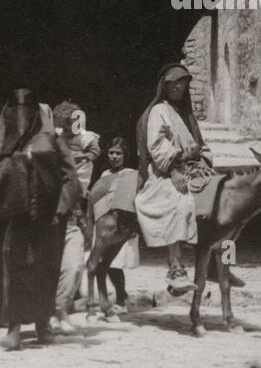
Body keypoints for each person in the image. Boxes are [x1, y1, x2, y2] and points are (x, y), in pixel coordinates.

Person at [0, 88, 82, 350]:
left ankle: (42, 325)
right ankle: (14, 329)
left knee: (44, 269)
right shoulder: (3, 144)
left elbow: (70, 177)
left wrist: (61, 207)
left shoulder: (51, 141)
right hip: (13, 220)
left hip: (47, 219)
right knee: (15, 270)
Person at [134, 63, 211, 294]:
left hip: (193, 166)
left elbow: (200, 143)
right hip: (165, 170)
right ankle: (175, 268)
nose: (179, 87)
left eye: (183, 83)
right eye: (174, 83)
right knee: (178, 201)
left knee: (221, 200)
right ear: (165, 86)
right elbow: (156, 145)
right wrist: (173, 171)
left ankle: (223, 263)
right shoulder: (159, 111)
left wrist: (205, 161)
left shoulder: (184, 114)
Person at [50, 101, 101, 333]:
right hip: (57, 203)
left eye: (69, 126)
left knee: (74, 262)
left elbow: (95, 152)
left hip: (77, 196)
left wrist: (76, 160)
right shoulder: (53, 140)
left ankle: (62, 304)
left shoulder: (83, 137)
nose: (66, 131)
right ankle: (55, 309)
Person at [88, 137, 140, 310]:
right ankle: (112, 299)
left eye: (118, 153)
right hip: (106, 221)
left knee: (117, 264)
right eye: (111, 153)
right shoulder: (104, 175)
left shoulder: (131, 174)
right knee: (106, 263)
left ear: (125, 155)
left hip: (124, 224)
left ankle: (120, 299)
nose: (114, 156)